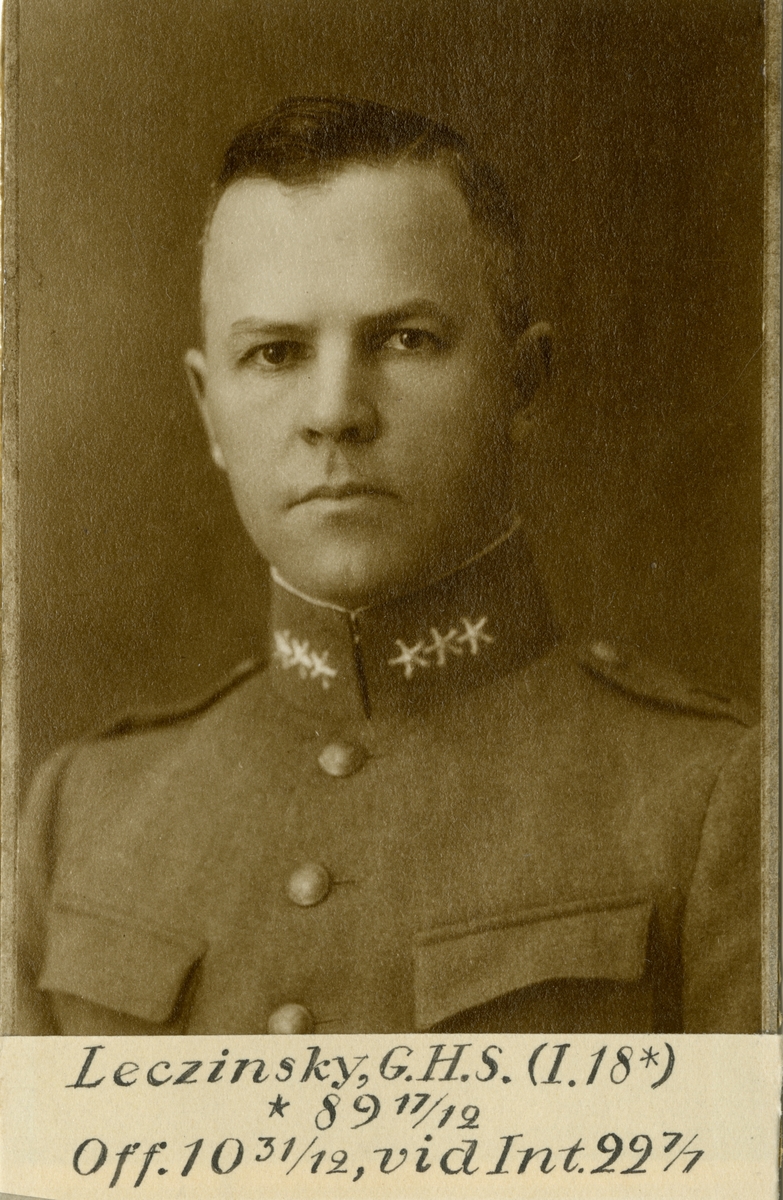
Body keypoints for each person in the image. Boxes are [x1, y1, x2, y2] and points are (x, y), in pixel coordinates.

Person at [14, 96, 760, 1036]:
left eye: (405, 340)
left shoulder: (713, 796)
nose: (335, 411)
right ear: (208, 411)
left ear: (522, 383)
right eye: (274, 353)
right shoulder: (81, 815)